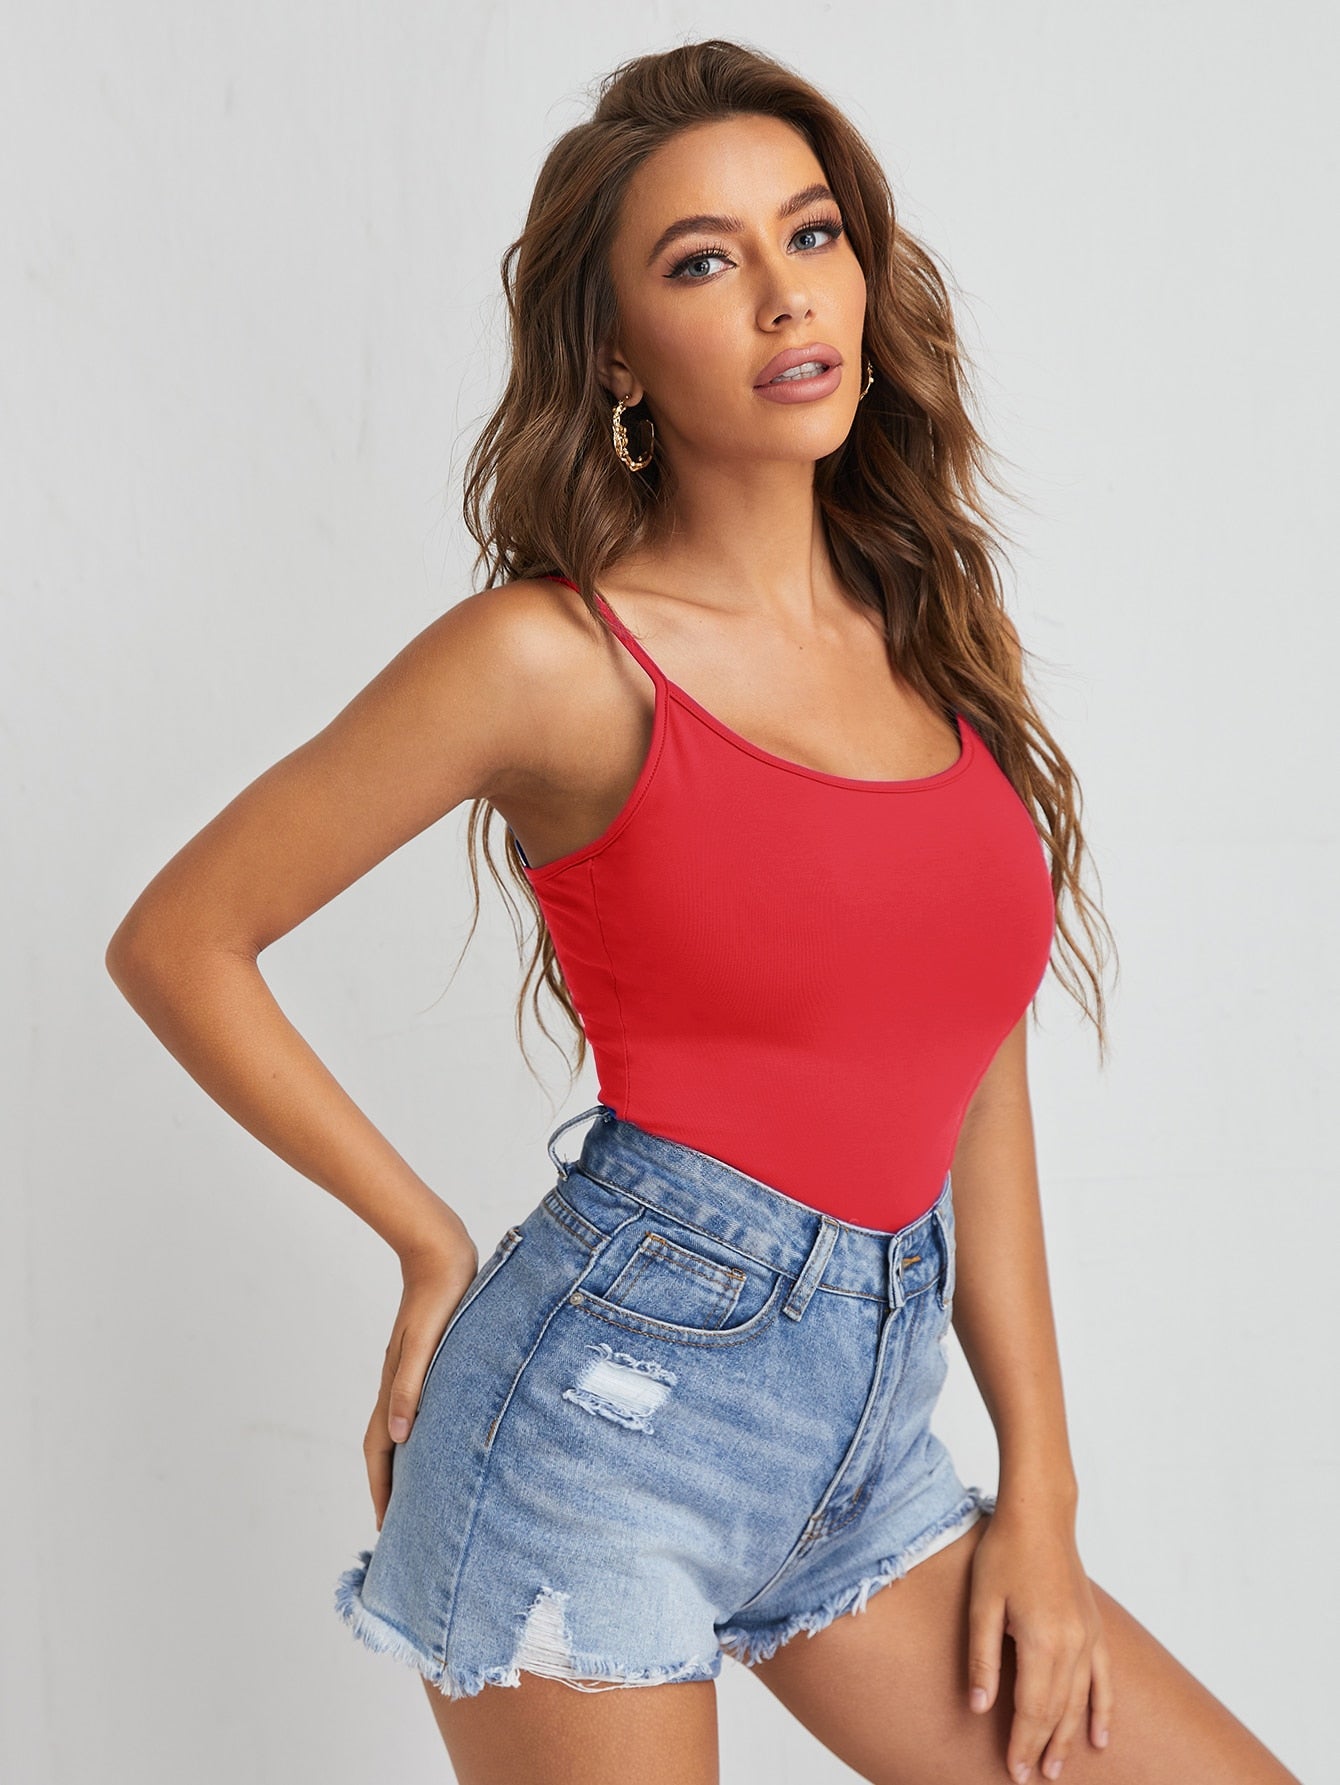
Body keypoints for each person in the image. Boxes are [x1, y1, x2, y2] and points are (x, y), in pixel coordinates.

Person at [105, 37, 1301, 1785]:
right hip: (597, 1434)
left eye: (810, 235)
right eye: (701, 262)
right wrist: (428, 1241)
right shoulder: (553, 660)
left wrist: (1040, 1487)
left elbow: (975, 1067)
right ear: (615, 355)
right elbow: (179, 939)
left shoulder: (926, 642)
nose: (783, 296)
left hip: (870, 1456)